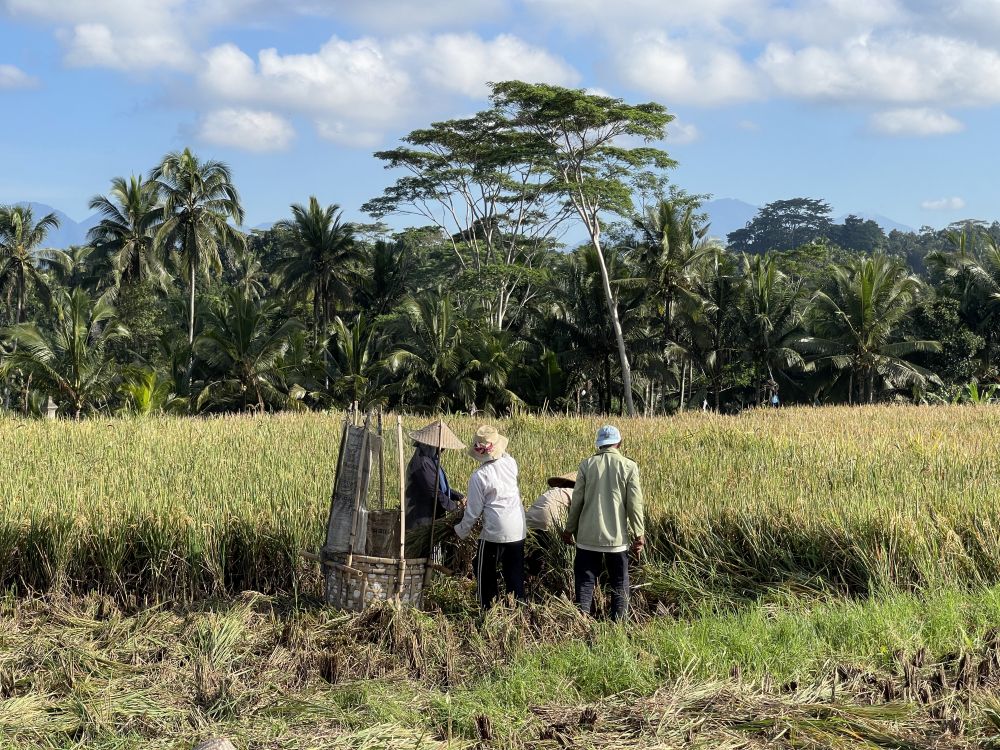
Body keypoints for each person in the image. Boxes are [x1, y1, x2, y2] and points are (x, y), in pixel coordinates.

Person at [562, 425, 644, 621]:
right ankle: (618, 626)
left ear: (599, 445)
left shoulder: (586, 465)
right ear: (619, 443)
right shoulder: (629, 466)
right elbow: (635, 504)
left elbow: (577, 502)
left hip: (587, 538)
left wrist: (568, 529)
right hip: (616, 540)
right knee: (619, 582)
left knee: (585, 581)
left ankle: (581, 622)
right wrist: (639, 533)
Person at [454, 425, 526, 609]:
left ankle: (487, 610)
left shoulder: (479, 476)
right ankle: (519, 611)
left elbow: (473, 511)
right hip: (517, 528)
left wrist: (460, 530)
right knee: (514, 574)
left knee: (485, 571)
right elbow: (504, 455)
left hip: (495, 531)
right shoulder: (511, 463)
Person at [405, 420, 466, 532]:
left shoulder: (431, 460)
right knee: (425, 548)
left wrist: (459, 497)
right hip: (422, 519)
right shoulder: (422, 463)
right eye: (441, 448)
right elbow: (434, 492)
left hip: (432, 516)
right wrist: (455, 508)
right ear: (431, 445)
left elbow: (440, 487)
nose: (442, 451)